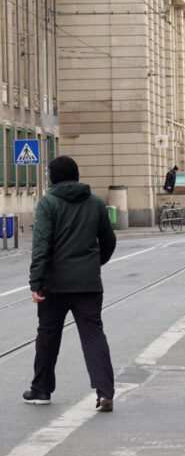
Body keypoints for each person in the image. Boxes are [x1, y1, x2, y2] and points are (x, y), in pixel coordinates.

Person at [23, 156, 117, 411]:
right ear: (76, 175)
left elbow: (41, 246)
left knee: (47, 336)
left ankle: (41, 390)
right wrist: (93, 265)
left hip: (54, 285)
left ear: (53, 177)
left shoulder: (48, 203)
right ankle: (105, 391)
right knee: (93, 335)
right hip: (88, 285)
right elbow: (109, 241)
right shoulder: (96, 202)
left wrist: (36, 282)